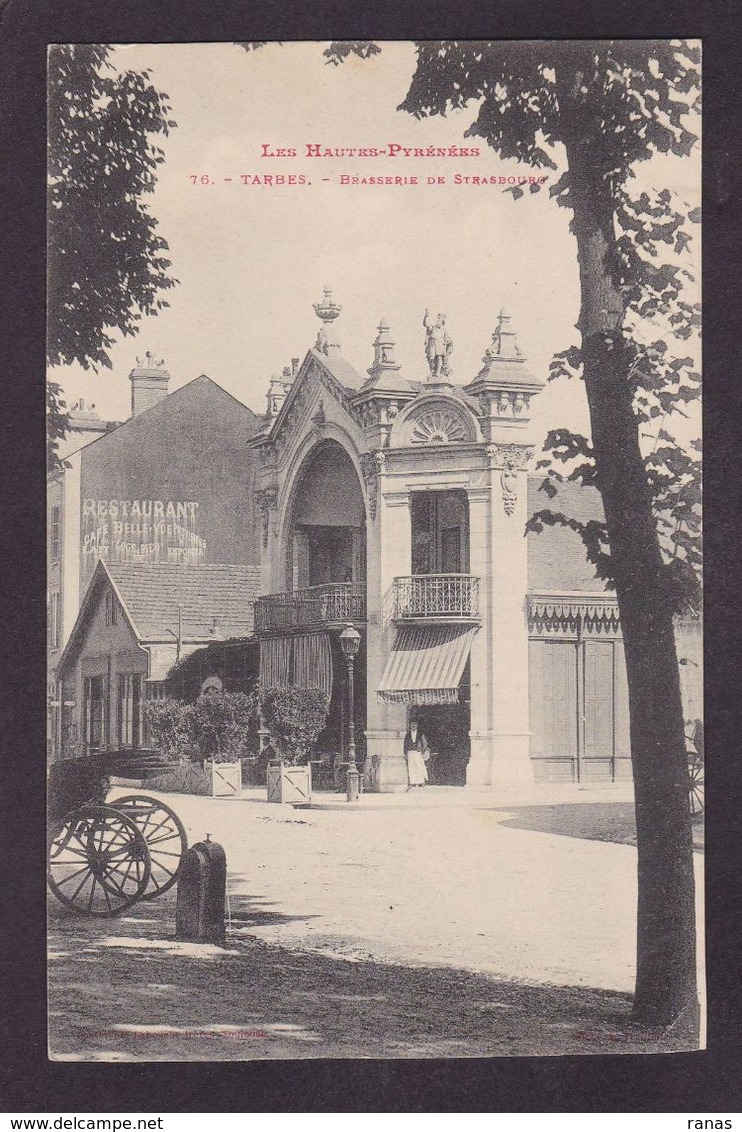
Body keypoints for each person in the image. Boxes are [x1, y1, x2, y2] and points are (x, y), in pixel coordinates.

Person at [404, 713, 429, 788]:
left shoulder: (420, 734)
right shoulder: (408, 734)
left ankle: (421, 781)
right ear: (410, 725)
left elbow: (425, 743)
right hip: (410, 752)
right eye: (412, 724)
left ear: (417, 725)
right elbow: (405, 744)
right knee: (411, 767)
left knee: (419, 766)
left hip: (418, 753)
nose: (413, 725)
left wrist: (423, 751)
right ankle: (413, 782)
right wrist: (405, 753)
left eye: (415, 724)